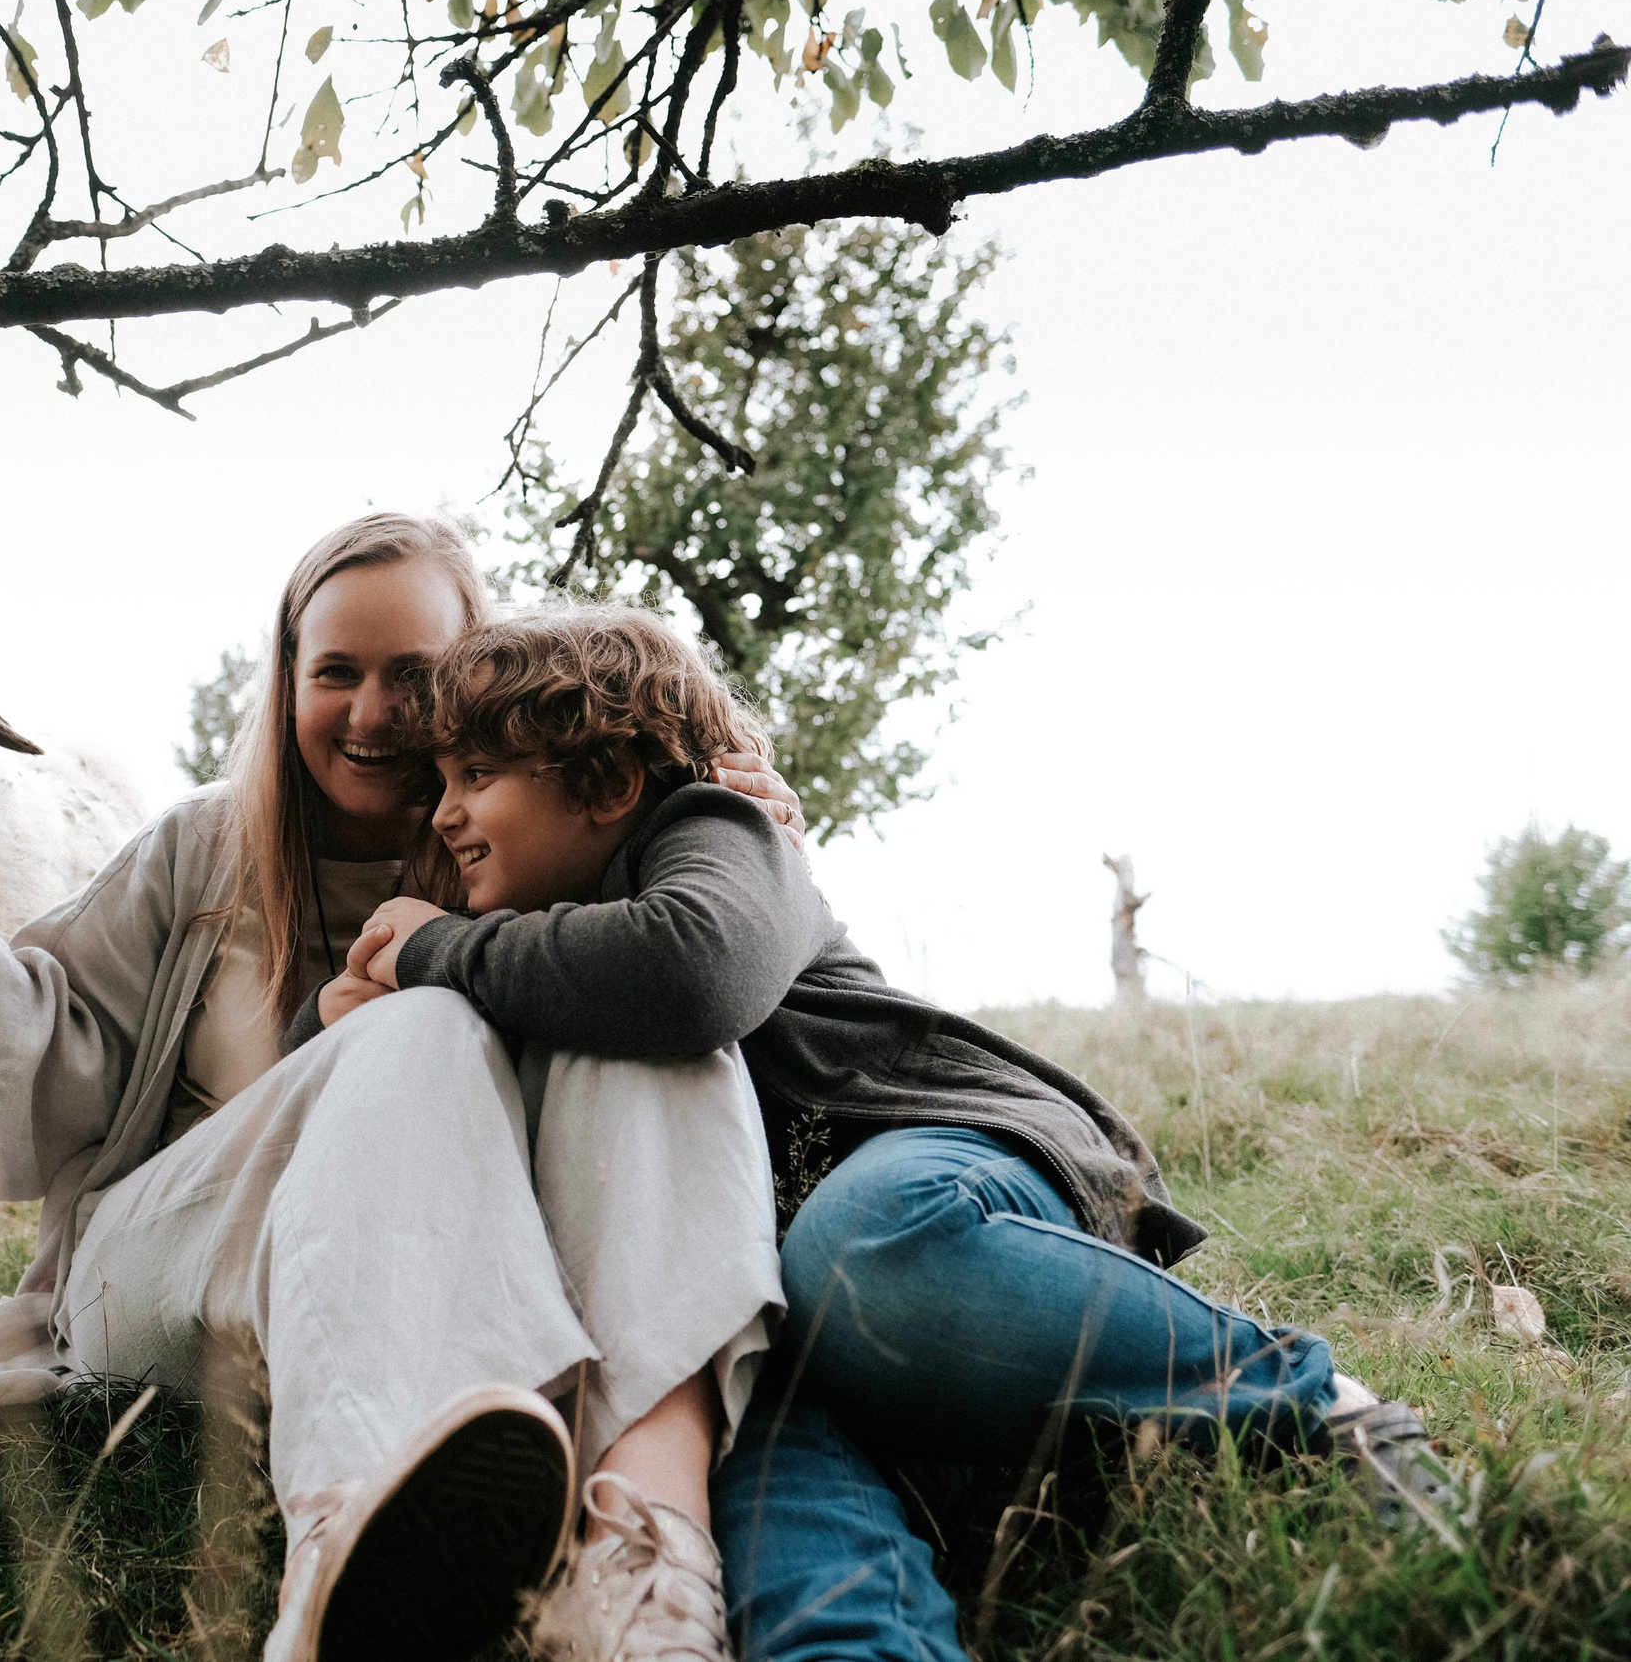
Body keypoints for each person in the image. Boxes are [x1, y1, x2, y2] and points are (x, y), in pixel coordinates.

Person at [0, 513, 805, 1662]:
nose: (371, 712)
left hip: (461, 1264)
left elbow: (708, 977)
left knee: (660, 1033)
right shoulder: (204, 846)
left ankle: (646, 1573)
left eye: (415, 673)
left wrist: (742, 842)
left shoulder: (547, 841)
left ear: (474, 674)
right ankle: (342, 1555)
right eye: (335, 671)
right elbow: (66, 1050)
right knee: (418, 1029)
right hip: (164, 1267)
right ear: (286, 678)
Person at [324, 602, 1454, 1662]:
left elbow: (694, 971)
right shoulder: (533, 954)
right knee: (796, 1564)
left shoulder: (715, 830)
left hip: (953, 1176)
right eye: (439, 785)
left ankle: (1313, 1408)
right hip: (794, 1332)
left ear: (611, 778)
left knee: (863, 1253)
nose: (444, 813)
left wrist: (429, 947)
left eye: (476, 777)